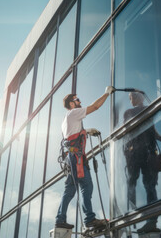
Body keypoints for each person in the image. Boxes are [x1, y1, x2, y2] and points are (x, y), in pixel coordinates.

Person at [55, 86, 115, 230]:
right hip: (76, 158)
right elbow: (95, 106)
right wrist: (106, 93)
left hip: (72, 157)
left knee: (70, 189)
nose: (79, 101)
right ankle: (89, 220)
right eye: (77, 100)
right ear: (71, 103)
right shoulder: (74, 113)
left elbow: (72, 134)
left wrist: (87, 131)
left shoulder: (67, 118)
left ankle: (60, 219)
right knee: (86, 186)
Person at [123, 92, 161, 234]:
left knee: (149, 185)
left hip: (147, 153)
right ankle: (133, 213)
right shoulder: (130, 112)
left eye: (132, 97)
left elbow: (152, 131)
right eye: (130, 98)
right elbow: (127, 131)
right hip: (135, 153)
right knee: (132, 181)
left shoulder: (147, 110)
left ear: (139, 98)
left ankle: (151, 220)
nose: (131, 100)